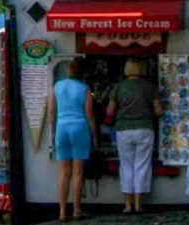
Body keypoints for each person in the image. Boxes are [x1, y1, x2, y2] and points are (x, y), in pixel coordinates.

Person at [106, 58, 162, 214]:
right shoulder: (150, 87)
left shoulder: (118, 87)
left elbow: (110, 111)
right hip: (145, 128)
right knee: (142, 165)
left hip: (123, 129)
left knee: (126, 165)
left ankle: (127, 205)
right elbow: (158, 110)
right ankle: (138, 205)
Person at [48, 57, 96, 223]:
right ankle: (76, 210)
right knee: (77, 173)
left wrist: (53, 132)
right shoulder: (85, 89)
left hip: (62, 127)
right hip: (80, 127)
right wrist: (94, 135)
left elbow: (52, 111)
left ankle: (62, 212)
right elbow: (90, 115)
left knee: (64, 172)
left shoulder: (58, 86)